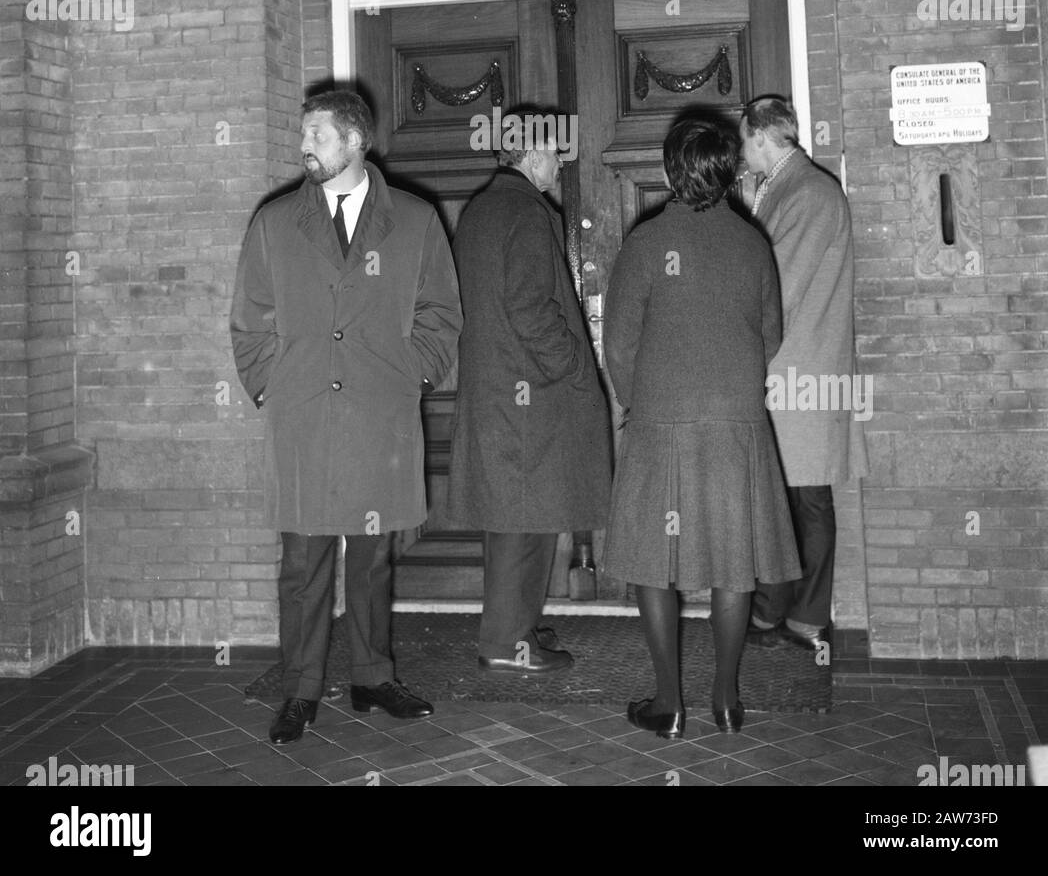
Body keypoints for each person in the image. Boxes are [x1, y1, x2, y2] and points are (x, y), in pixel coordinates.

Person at [231, 88, 462, 744]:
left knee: (372, 560)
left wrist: (412, 375)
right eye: (303, 134)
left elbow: (442, 313)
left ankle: (372, 677)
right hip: (302, 421)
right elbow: (249, 320)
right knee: (302, 566)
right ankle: (300, 689)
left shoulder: (415, 220)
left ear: (356, 141)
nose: (305, 146)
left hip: (379, 420)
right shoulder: (275, 223)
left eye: (319, 135)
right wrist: (271, 388)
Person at [603, 115, 800, 737]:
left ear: (670, 173)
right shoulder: (751, 243)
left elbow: (619, 345)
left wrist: (637, 403)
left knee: (652, 562)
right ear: (729, 172)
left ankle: (669, 705)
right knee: (732, 563)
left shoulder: (645, 242)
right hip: (736, 425)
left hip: (660, 421)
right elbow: (771, 335)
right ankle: (726, 700)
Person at [448, 108, 612, 673]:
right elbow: (529, 309)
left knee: (512, 521)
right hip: (529, 396)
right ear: (533, 154)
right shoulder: (524, 210)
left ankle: (513, 625)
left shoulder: (482, 208)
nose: (560, 163)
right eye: (556, 153)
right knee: (527, 522)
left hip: (500, 392)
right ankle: (507, 643)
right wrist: (575, 367)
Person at [738, 95, 869, 652]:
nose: (742, 152)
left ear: (760, 137)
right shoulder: (791, 188)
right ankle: (783, 612)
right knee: (794, 498)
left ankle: (800, 616)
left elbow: (778, 288)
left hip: (800, 373)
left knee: (806, 499)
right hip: (797, 369)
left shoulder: (807, 192)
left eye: (744, 141)